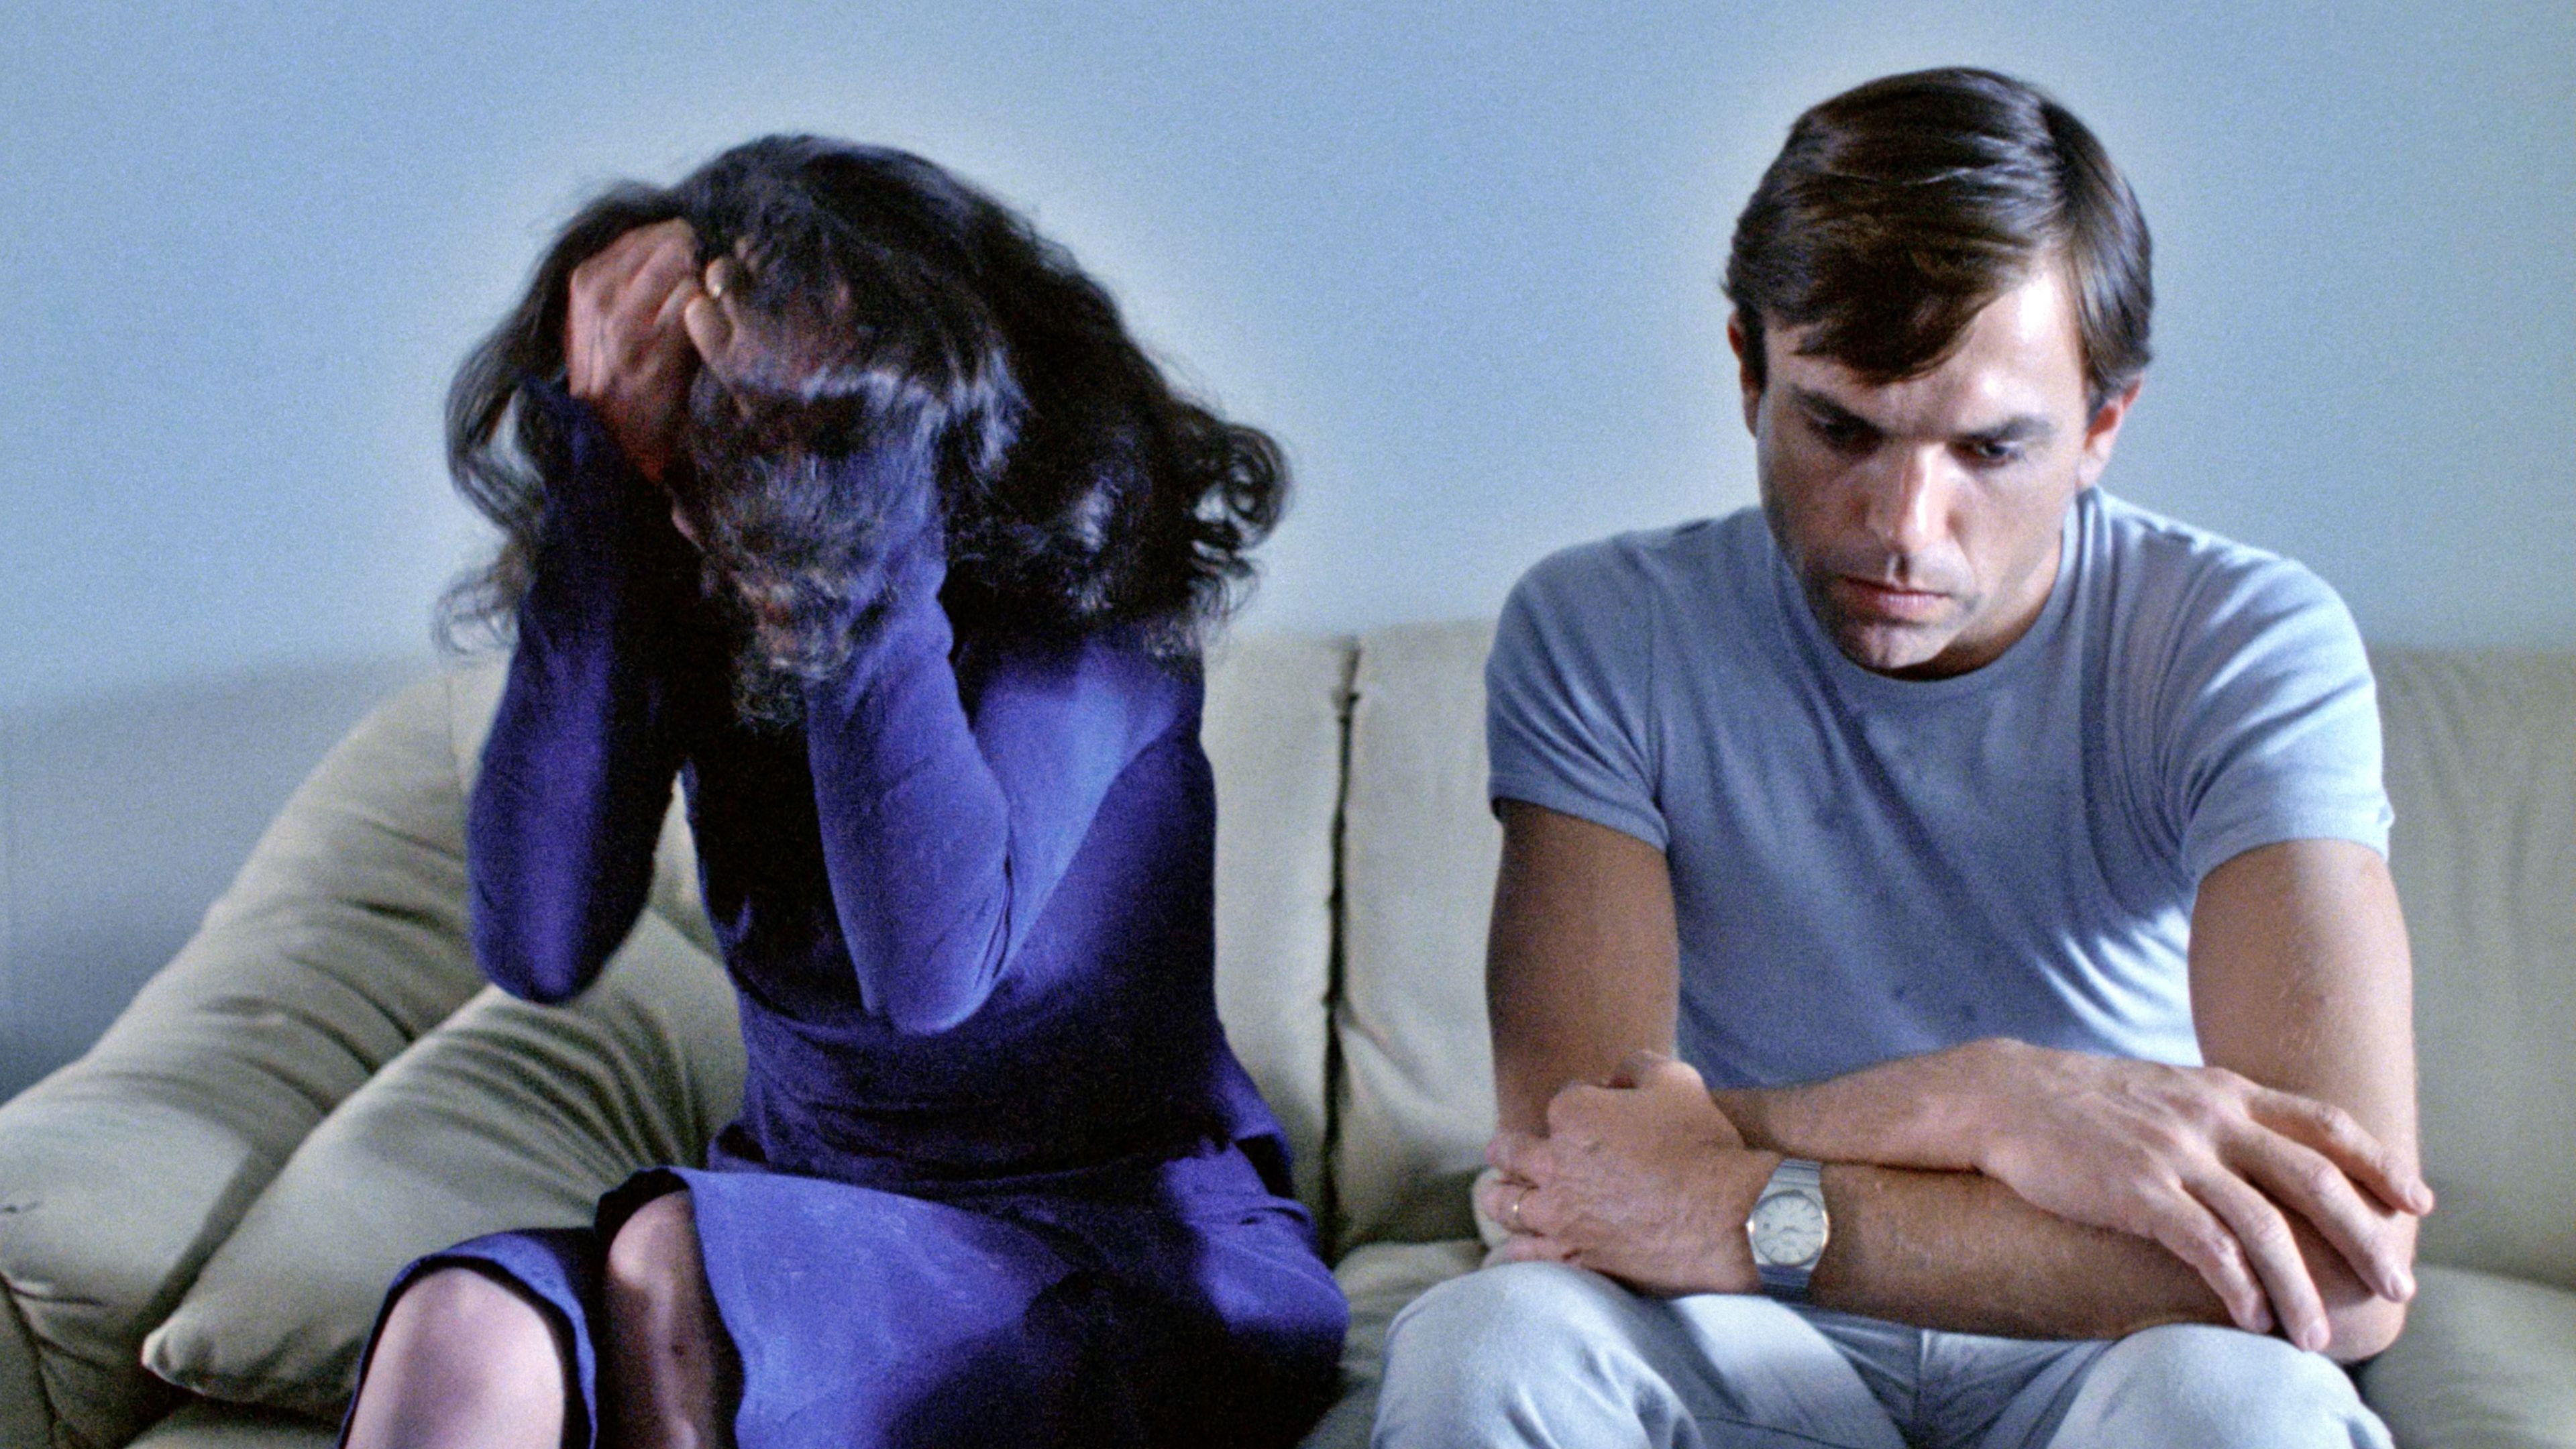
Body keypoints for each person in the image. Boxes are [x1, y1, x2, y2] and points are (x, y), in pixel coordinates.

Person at [1373, 68, 2424, 1448]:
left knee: (2236, 1409)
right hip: (1736, 1327)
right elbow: (1581, 1165)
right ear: (1749, 370)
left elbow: (2344, 1269)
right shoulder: (1604, 627)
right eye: (1841, 427)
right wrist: (1986, 1103)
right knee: (1486, 1345)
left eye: (1992, 448)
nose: (1902, 528)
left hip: (2101, 1338)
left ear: (2103, 426)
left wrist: (1741, 1196)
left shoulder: (2243, 642)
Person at [339, 136, 1346, 1449]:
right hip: (797, 1239)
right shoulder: (704, 593)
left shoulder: (1087, 613)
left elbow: (930, 973)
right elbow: (539, 943)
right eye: (675, 442)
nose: (701, 498)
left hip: (1117, 1256)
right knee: (465, 1334)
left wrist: (842, 519)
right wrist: (599, 486)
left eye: (746, 439)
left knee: (674, 1257)